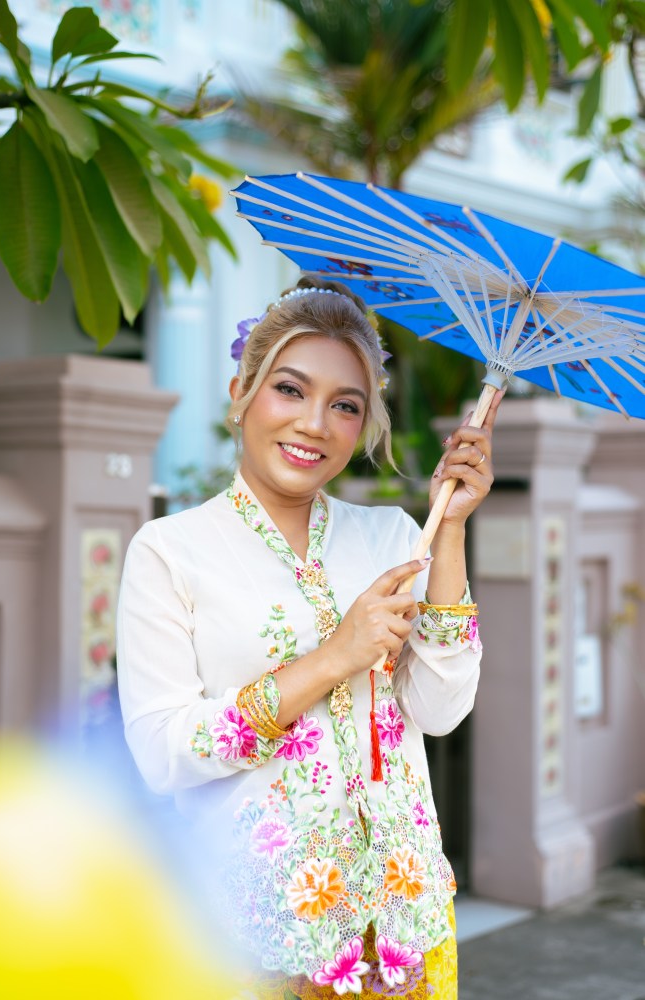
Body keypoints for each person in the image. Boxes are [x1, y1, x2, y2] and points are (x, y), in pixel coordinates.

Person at [117, 277, 501, 999]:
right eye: (290, 390)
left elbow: (441, 710)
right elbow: (162, 755)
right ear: (240, 393)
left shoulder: (391, 536)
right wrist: (334, 658)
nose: (315, 424)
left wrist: (448, 531)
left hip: (401, 926)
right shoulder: (171, 551)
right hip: (255, 934)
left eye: (345, 405)